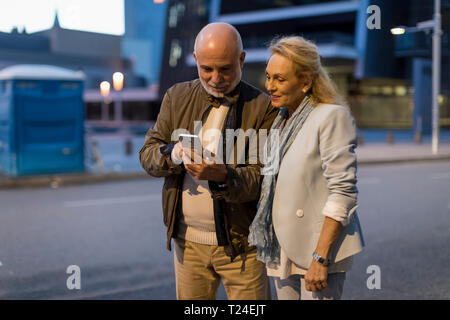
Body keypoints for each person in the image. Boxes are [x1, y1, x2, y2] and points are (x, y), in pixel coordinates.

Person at [139, 22, 278, 300]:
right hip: (187, 243)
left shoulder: (263, 106)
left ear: (241, 59)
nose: (216, 78)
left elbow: (265, 180)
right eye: (207, 69)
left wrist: (223, 175)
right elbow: (148, 154)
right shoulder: (176, 97)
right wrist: (174, 153)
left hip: (243, 247)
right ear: (195, 59)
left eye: (225, 68)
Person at [249, 36, 365, 300]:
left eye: (280, 79)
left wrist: (320, 258)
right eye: (268, 77)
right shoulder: (280, 121)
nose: (270, 86)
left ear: (306, 81)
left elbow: (343, 193)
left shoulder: (330, 116)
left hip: (317, 248)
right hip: (282, 247)